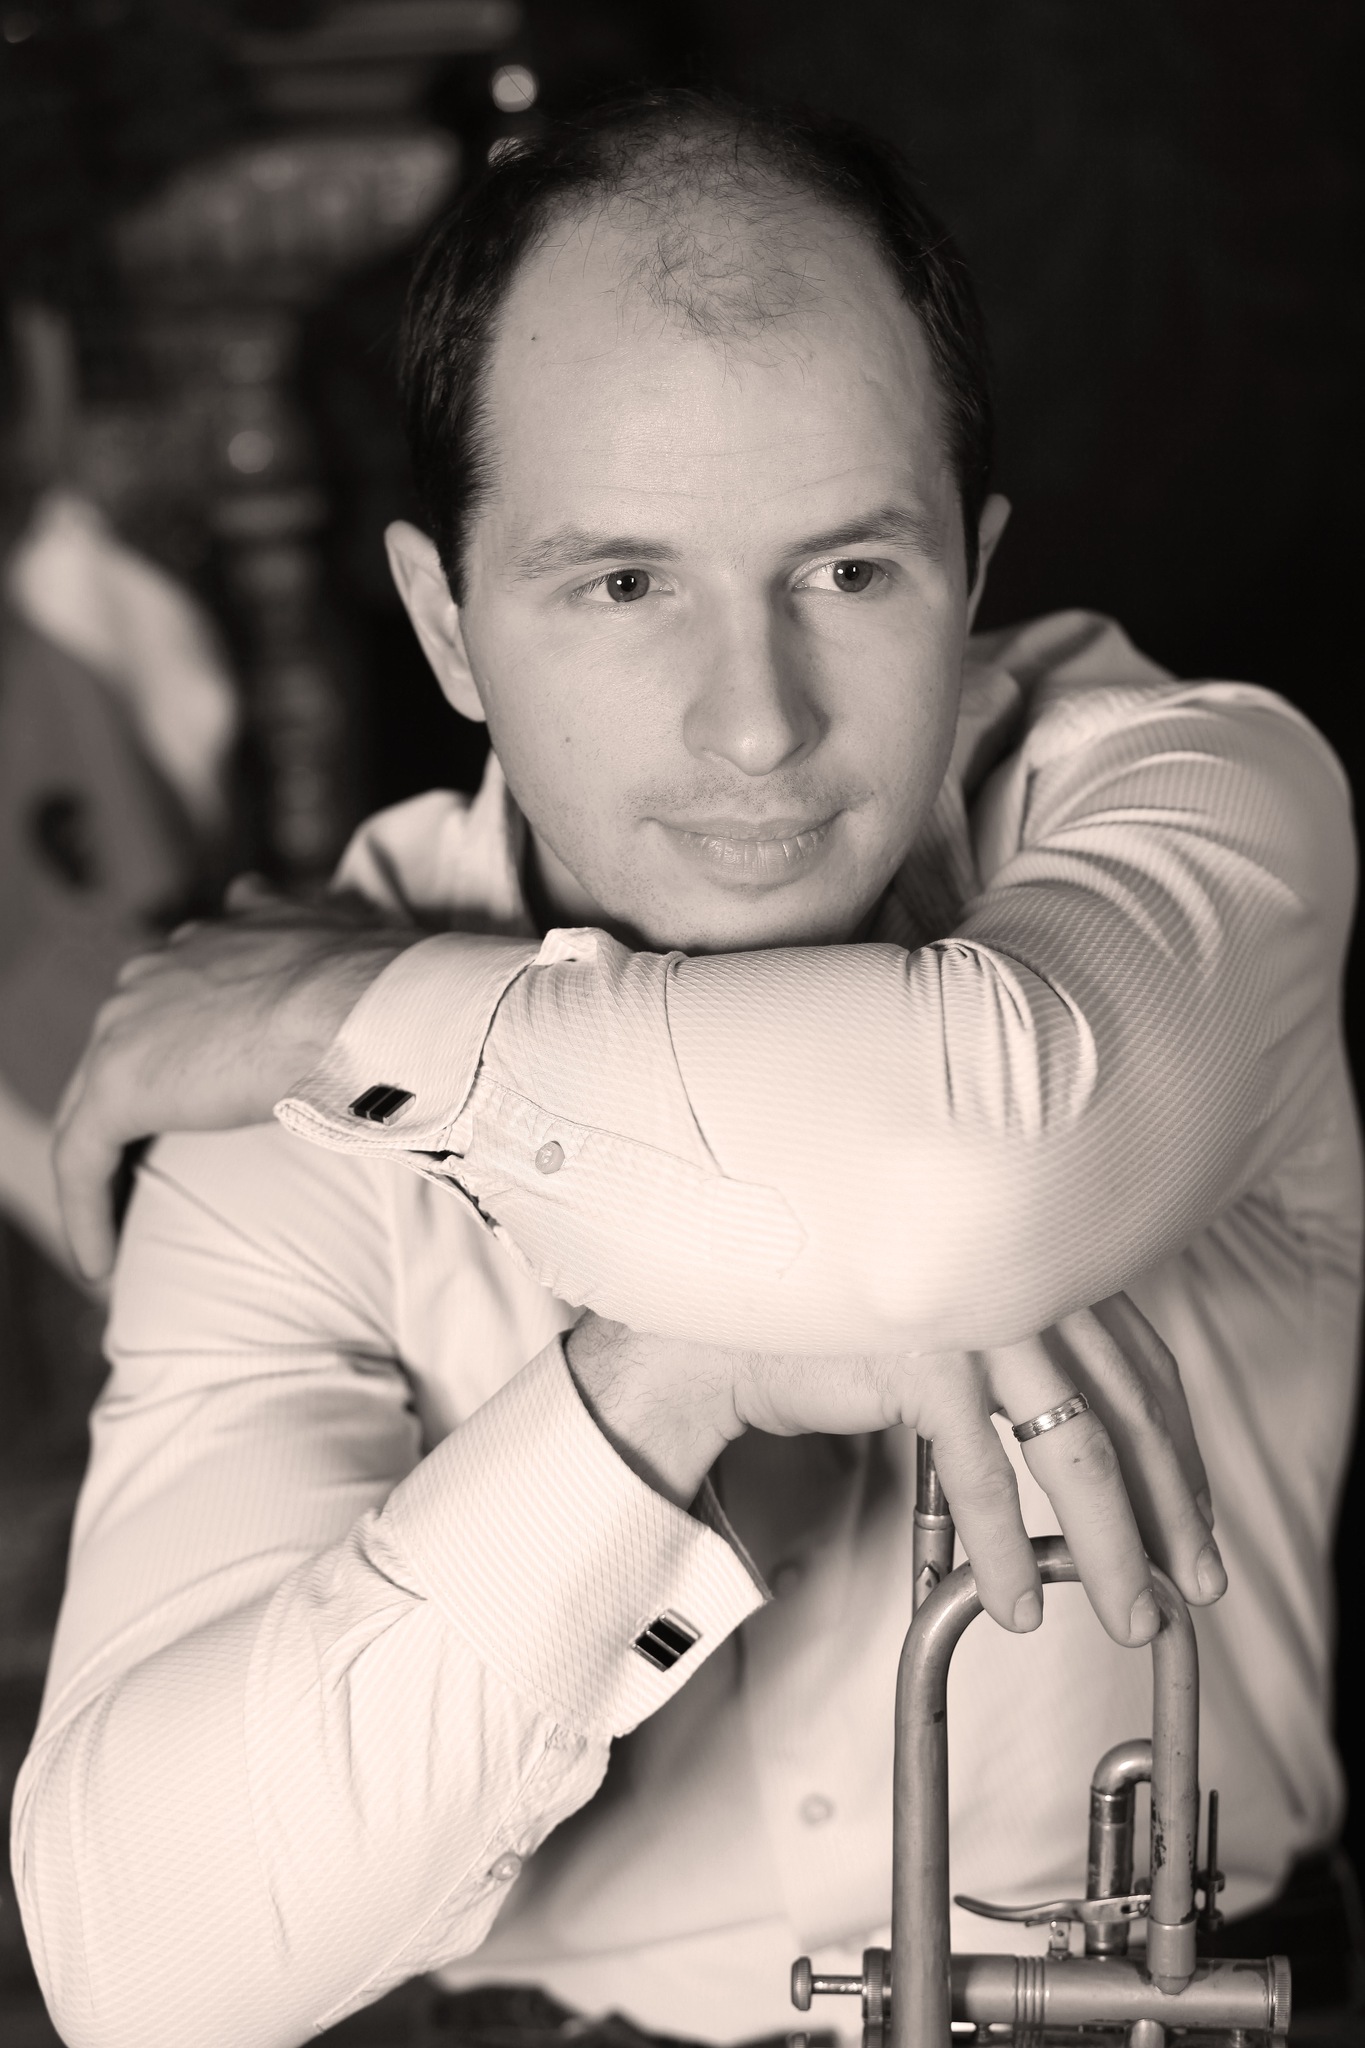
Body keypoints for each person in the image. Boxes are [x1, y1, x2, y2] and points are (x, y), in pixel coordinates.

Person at [15, 89, 1363, 2048]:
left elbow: (960, 1178)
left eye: (848, 573)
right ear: (444, 623)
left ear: (969, 569)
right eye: (624, 583)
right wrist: (669, 1380)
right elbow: (148, 1966)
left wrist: (349, 1019)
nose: (754, 728)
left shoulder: (1190, 794)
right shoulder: (283, 1104)